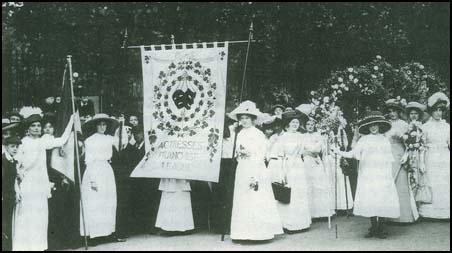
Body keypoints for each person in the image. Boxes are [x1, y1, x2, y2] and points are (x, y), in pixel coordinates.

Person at [331, 111, 400, 239]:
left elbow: (388, 159)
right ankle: (373, 227)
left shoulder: (385, 140)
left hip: (382, 174)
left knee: (382, 198)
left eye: (376, 125)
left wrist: (387, 176)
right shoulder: (364, 139)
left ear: (379, 125)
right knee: (371, 198)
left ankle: (381, 228)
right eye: (371, 125)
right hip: (368, 174)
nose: (373, 127)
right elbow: (353, 154)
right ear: (368, 127)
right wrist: (337, 151)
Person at [13, 112, 75, 251]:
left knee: (41, 217)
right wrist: (19, 176)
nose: (36, 128)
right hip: (28, 183)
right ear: (27, 129)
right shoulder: (22, 143)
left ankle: (39, 247)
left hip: (41, 185)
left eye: (38, 126)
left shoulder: (43, 141)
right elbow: (16, 163)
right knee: (28, 216)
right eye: (33, 126)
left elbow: (62, 140)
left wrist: (71, 121)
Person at [228, 100, 283, 241]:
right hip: (243, 168)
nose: (244, 121)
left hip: (255, 167)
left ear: (253, 119)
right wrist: (239, 154)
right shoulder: (239, 134)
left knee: (256, 197)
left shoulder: (258, 133)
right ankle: (242, 233)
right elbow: (235, 151)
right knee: (243, 198)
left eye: (247, 118)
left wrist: (251, 158)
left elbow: (262, 153)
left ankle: (259, 233)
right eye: (242, 118)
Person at [80, 113, 128, 245]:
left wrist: (121, 125)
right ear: (96, 126)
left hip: (106, 170)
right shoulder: (90, 140)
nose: (102, 127)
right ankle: (93, 235)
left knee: (108, 201)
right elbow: (88, 160)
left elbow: (122, 142)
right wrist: (92, 180)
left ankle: (106, 233)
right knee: (95, 202)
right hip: (94, 170)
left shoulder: (109, 138)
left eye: (104, 124)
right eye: (100, 124)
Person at [274, 110, 312, 233]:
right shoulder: (282, 137)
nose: (295, 124)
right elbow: (279, 155)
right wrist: (281, 171)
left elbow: (308, 149)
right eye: (293, 122)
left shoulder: (301, 136)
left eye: (297, 122)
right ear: (287, 124)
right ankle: (288, 224)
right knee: (289, 193)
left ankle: (301, 223)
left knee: (299, 192)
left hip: (299, 166)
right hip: (287, 165)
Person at [385, 98, 418, 223]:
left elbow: (410, 142)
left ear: (399, 112)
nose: (392, 113)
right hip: (387, 154)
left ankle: (403, 216)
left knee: (401, 183)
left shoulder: (404, 124)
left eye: (394, 111)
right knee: (389, 183)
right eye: (390, 111)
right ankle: (388, 216)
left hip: (400, 154)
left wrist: (406, 154)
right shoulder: (385, 124)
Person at [418, 92, 450, 219]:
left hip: (444, 156)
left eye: (441, 110)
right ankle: (431, 212)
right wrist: (421, 162)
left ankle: (445, 210)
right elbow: (422, 146)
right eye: (436, 110)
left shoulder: (447, 126)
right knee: (432, 180)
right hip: (430, 156)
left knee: (444, 181)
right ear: (431, 111)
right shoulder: (425, 127)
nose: (438, 113)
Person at [302, 117, 335, 219]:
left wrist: (308, 150)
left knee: (319, 184)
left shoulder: (318, 136)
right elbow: (300, 150)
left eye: (312, 125)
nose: (310, 126)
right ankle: (311, 213)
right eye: (308, 125)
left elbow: (318, 150)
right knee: (309, 185)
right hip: (306, 162)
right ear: (305, 126)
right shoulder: (302, 136)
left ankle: (323, 212)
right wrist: (306, 152)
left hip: (316, 161)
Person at [210, 120, 237, 234]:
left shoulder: (234, 135)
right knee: (219, 194)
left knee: (230, 194)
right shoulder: (214, 136)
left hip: (231, 164)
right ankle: (218, 225)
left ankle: (229, 224)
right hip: (218, 165)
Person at [2, 136, 21, 251]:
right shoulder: (3, 161)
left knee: (8, 222)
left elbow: (13, 180)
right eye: (12, 146)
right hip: (3, 196)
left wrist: (17, 193)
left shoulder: (13, 161)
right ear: (5, 147)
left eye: (17, 147)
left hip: (10, 196)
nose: (15, 149)